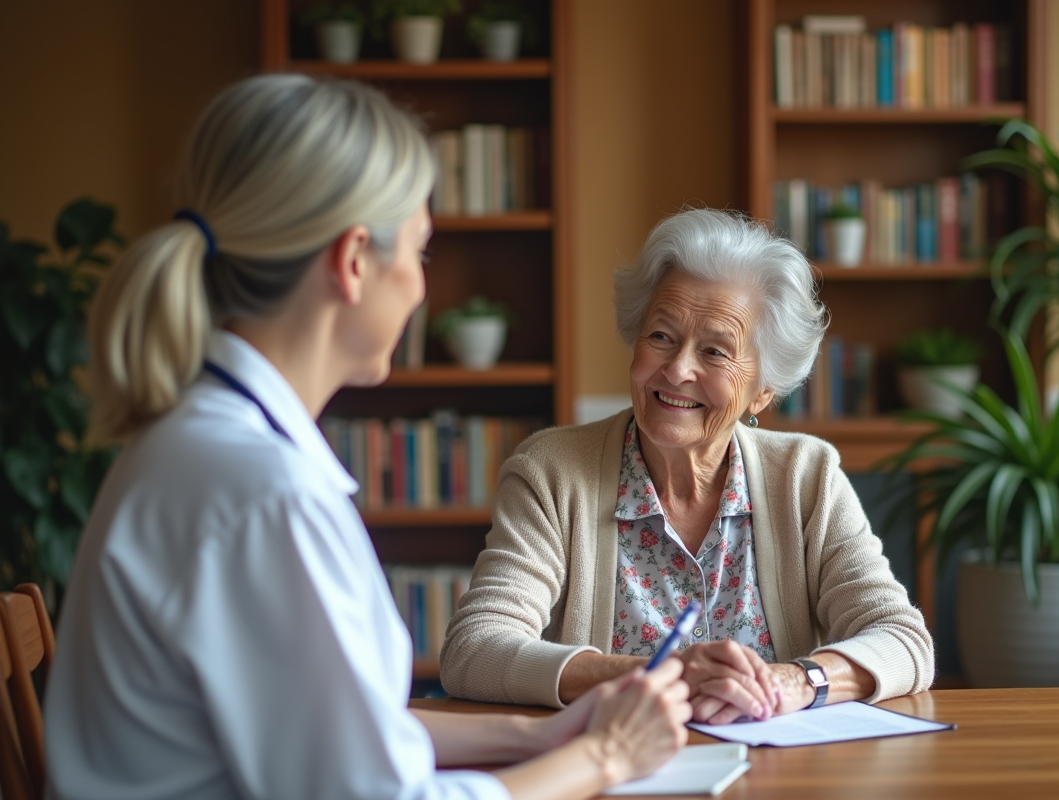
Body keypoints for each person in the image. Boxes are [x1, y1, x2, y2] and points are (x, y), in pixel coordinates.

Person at [44, 74, 692, 800]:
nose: (420, 287)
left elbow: (345, 730)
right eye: (420, 252)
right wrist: (606, 757)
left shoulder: (202, 444)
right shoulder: (263, 495)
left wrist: (539, 736)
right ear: (354, 261)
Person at [441, 208, 934, 724]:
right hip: (614, 760)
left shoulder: (805, 476)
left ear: (763, 391)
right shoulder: (551, 473)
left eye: (715, 351)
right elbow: (474, 649)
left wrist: (792, 682)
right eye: (661, 336)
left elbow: (902, 640)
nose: (677, 370)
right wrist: (661, 677)